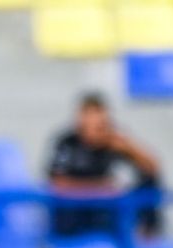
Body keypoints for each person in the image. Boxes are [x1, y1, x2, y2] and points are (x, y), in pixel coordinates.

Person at [46, 92, 162, 238]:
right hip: (75, 209)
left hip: (105, 207)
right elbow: (57, 184)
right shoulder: (67, 142)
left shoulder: (113, 141)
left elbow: (153, 167)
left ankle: (148, 236)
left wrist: (129, 148)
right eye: (90, 118)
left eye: (100, 121)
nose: (96, 125)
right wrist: (100, 187)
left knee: (148, 180)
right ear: (80, 119)